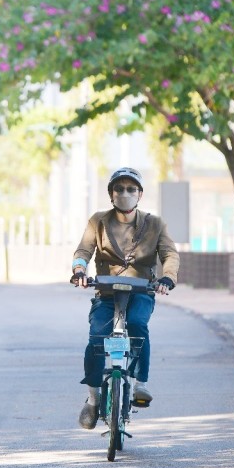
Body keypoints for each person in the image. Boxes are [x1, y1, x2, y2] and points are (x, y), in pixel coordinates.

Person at [70, 166, 180, 430]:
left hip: (141, 291)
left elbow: (170, 255)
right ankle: (93, 399)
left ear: (140, 194)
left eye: (131, 189)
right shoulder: (98, 221)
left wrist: (168, 277)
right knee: (96, 336)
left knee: (139, 325)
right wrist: (79, 270)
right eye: (119, 189)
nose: (125, 193)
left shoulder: (155, 224)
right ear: (111, 194)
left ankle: (141, 383)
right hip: (106, 292)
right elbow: (83, 250)